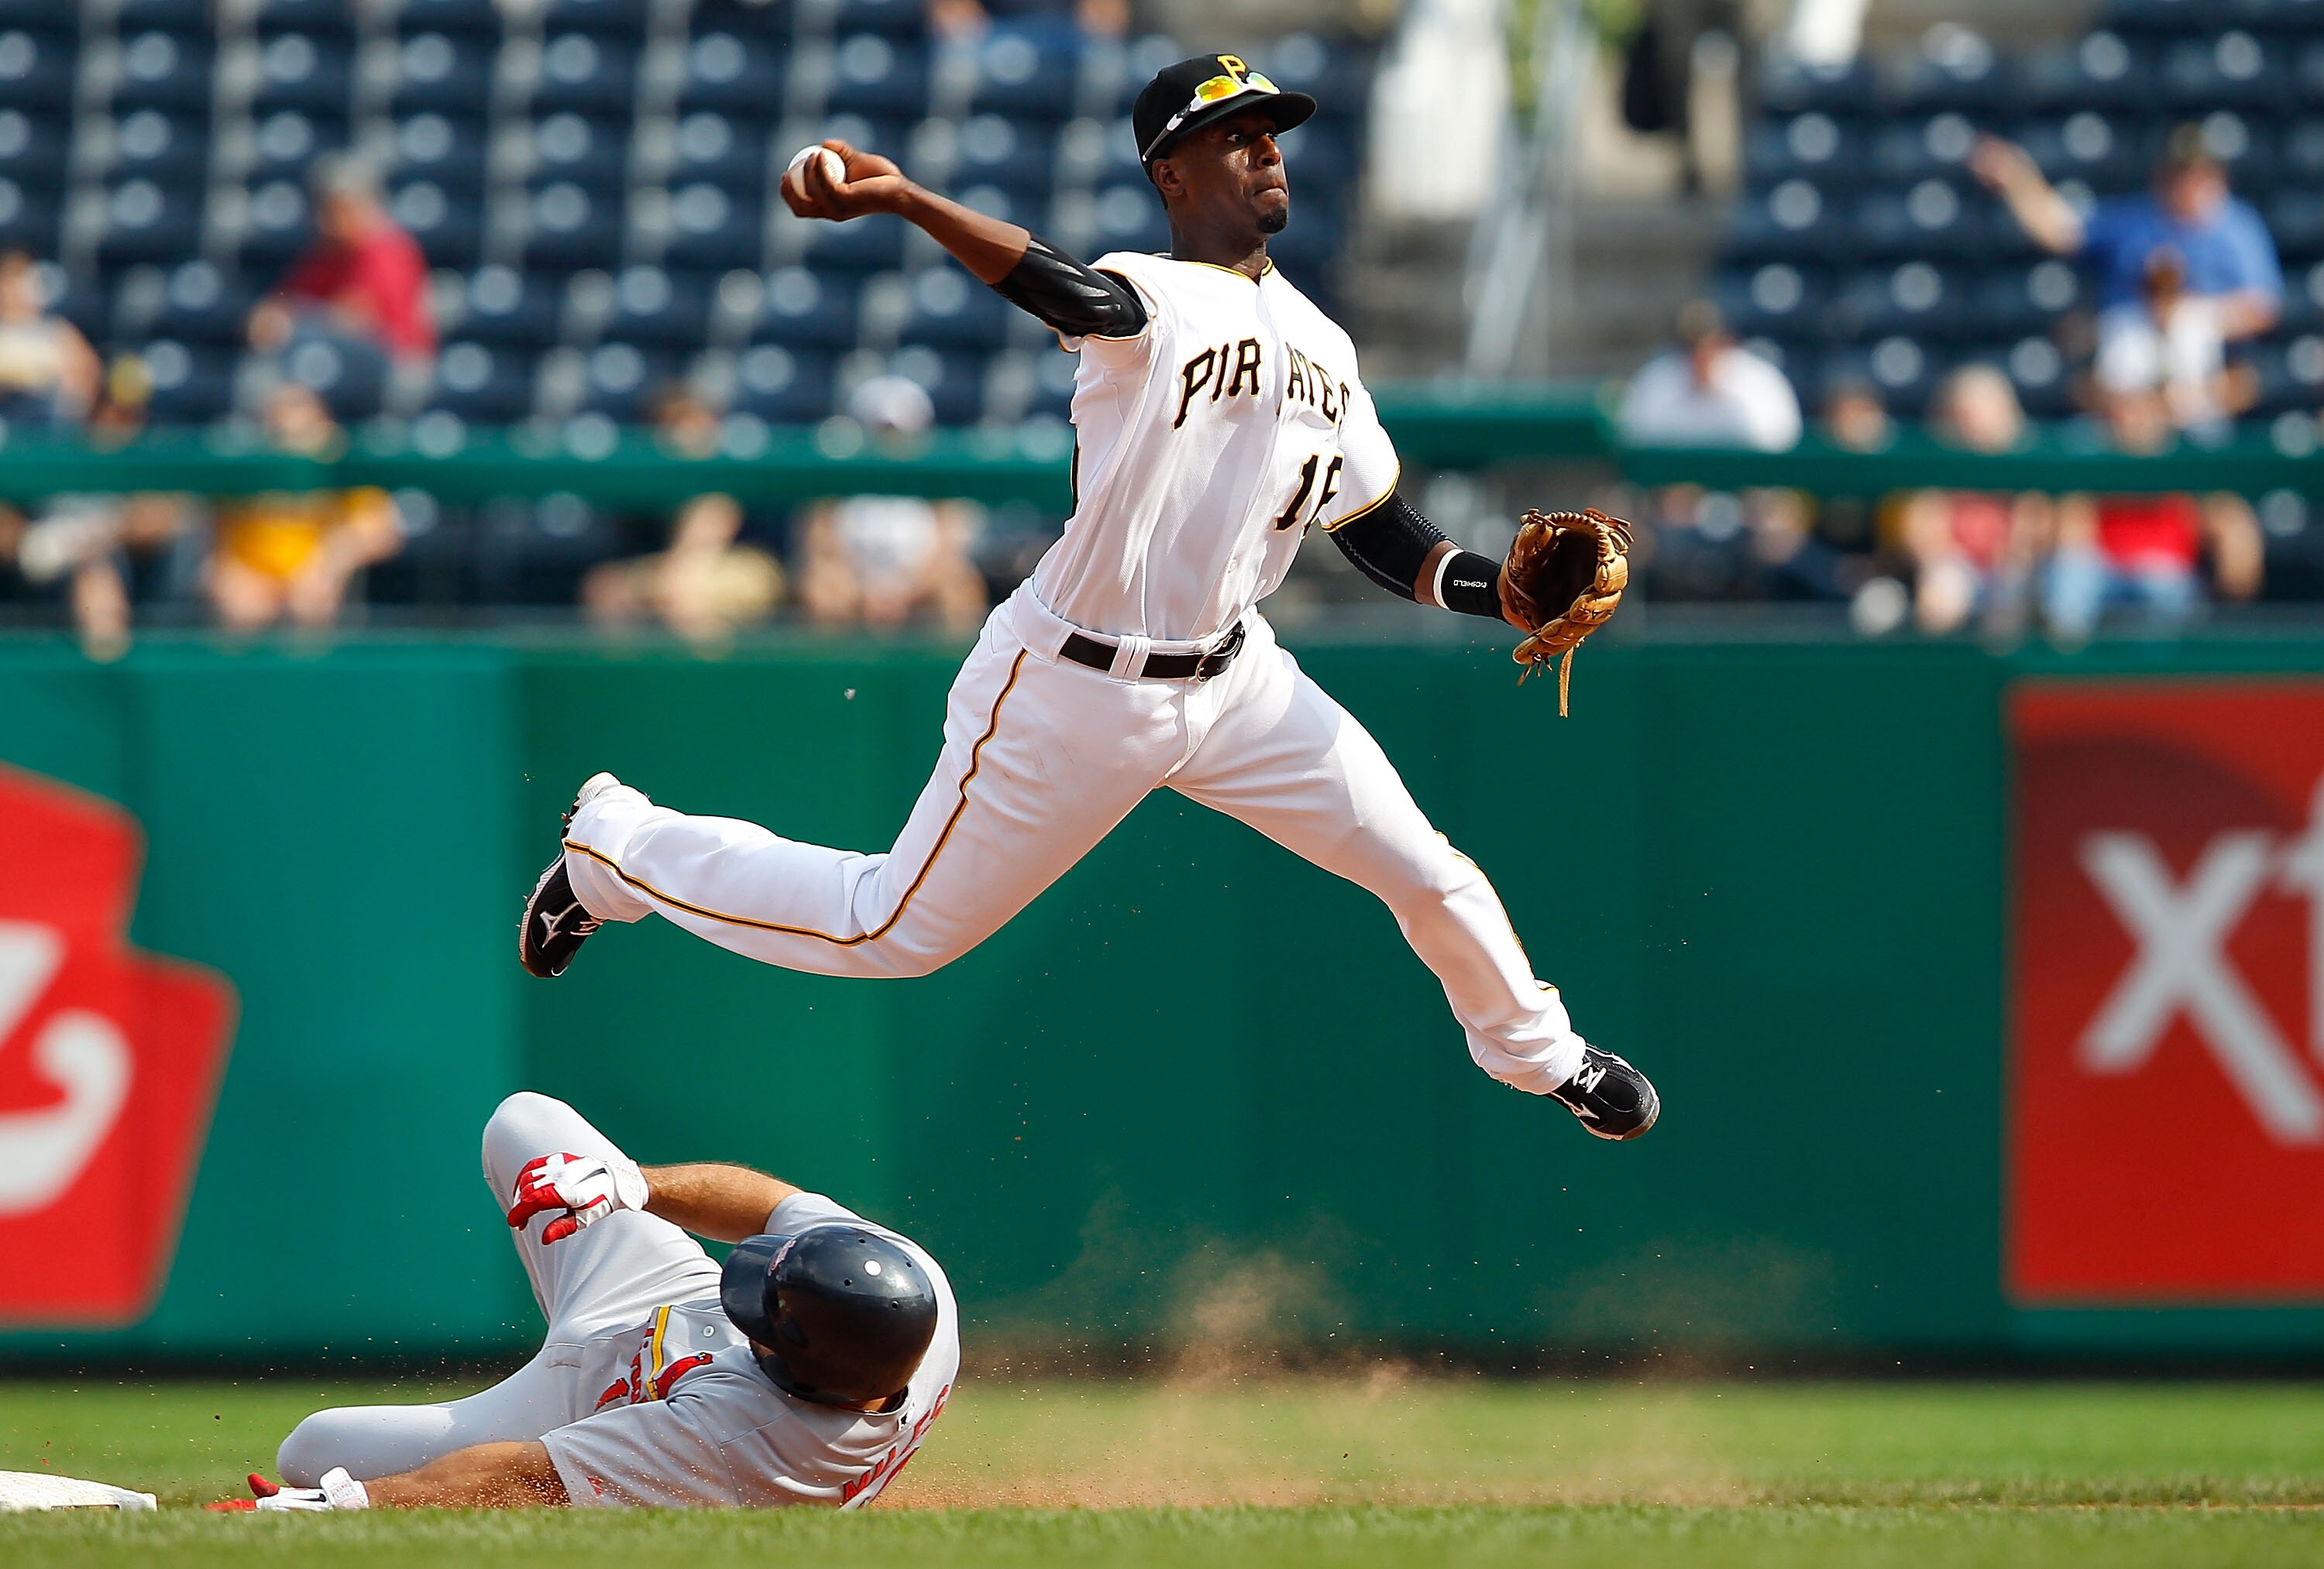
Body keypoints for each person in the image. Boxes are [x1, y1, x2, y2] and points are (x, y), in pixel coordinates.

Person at [517, 53, 1661, 1142]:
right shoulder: (1148, 297)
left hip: (1238, 676)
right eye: (1234, 138)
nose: (1267, 154)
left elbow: (1378, 533)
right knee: (890, 928)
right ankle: (618, 849)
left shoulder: (1325, 344)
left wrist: (1496, 599)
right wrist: (914, 201)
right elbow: (1064, 286)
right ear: (1172, 171)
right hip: (1074, 683)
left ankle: (1539, 1052)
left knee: (1426, 866)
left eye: (1272, 136)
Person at [210, 1091, 956, 1511]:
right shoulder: (904, 1288)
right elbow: (773, 1205)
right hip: (659, 1298)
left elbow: (522, 1477)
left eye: (764, 1309)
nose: (751, 1292)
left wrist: (343, 1510)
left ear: (796, 1369)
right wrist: (635, 1184)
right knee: (524, 1122)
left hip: (594, 1406)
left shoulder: (745, 1440)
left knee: (314, 1450)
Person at [1972, 124, 2281, 342]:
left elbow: (2263, 308)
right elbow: (2059, 230)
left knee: (2190, 341)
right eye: (2177, 174)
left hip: (2205, 367)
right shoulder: (2136, 218)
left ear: (2217, 177)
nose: (2186, 185)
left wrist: (2188, 316)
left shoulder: (2237, 227)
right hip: (2128, 355)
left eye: (2197, 175)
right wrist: (2017, 176)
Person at [2041, 386, 2262, 640]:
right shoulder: (2097, 457)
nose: (2135, 420)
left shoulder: (2185, 458)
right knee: (2070, 572)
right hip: (2106, 569)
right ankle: (2065, 669)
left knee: (2167, 590)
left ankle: (2165, 674)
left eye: (2144, 410)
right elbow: (2073, 526)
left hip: (2164, 571)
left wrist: (2237, 536)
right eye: (2127, 410)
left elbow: (2223, 510)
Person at [581, 386, 786, 642]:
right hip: (672, 569)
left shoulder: (726, 477)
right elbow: (630, 560)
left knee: (683, 592)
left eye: (694, 427)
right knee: (604, 587)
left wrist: (672, 577)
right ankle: (623, 678)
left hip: (751, 568)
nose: (685, 440)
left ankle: (710, 680)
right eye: (673, 429)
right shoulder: (650, 491)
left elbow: (702, 543)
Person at [793, 376, 988, 631]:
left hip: (917, 584)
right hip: (855, 582)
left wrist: (904, 591)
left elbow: (949, 552)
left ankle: (956, 667)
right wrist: (860, 588)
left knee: (959, 589)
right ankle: (830, 669)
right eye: (879, 430)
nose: (889, 442)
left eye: (898, 432)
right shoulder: (836, 480)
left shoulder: (937, 483)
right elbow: (821, 547)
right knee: (823, 588)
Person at [205, 383, 402, 630]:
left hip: (314, 579)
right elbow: (217, 546)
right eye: (279, 426)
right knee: (242, 607)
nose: (291, 435)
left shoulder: (340, 468)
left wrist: (331, 564)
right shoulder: (249, 469)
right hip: (254, 578)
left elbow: (381, 533)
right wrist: (230, 576)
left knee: (310, 603)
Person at [1898, 365, 2048, 636]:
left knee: (2009, 596)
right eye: (1965, 414)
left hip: (2008, 564)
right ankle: (1937, 672)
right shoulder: (1936, 461)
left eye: (1982, 413)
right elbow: (1922, 531)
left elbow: (2031, 528)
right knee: (1941, 589)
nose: (1974, 423)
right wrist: (1947, 560)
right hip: (1954, 562)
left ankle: (2002, 674)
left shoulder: (2022, 461)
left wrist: (2008, 560)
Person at [248, 156, 435, 366]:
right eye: (325, 210)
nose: (327, 222)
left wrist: (291, 321)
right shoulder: (328, 251)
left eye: (339, 211)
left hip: (395, 367)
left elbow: (358, 321)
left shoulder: (388, 250)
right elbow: (286, 300)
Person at [2092, 247, 2250, 435]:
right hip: (2141, 431)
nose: (2162, 298)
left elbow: (2230, 388)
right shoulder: (2120, 324)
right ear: (2142, 290)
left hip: (2199, 431)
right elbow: (2112, 391)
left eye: (2170, 290)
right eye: (2155, 290)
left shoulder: (2204, 319)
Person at [1618, 300, 1802, 451]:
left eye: (1710, 346)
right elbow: (1635, 440)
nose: (1700, 355)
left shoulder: (1761, 381)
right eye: (1689, 347)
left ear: (1727, 341)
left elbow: (1779, 441)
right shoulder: (1655, 380)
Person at [0, 250, 98, 429]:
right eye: (8, 283)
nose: (13, 291)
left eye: (21, 281)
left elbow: (84, 384)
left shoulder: (59, 332)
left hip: (45, 424)